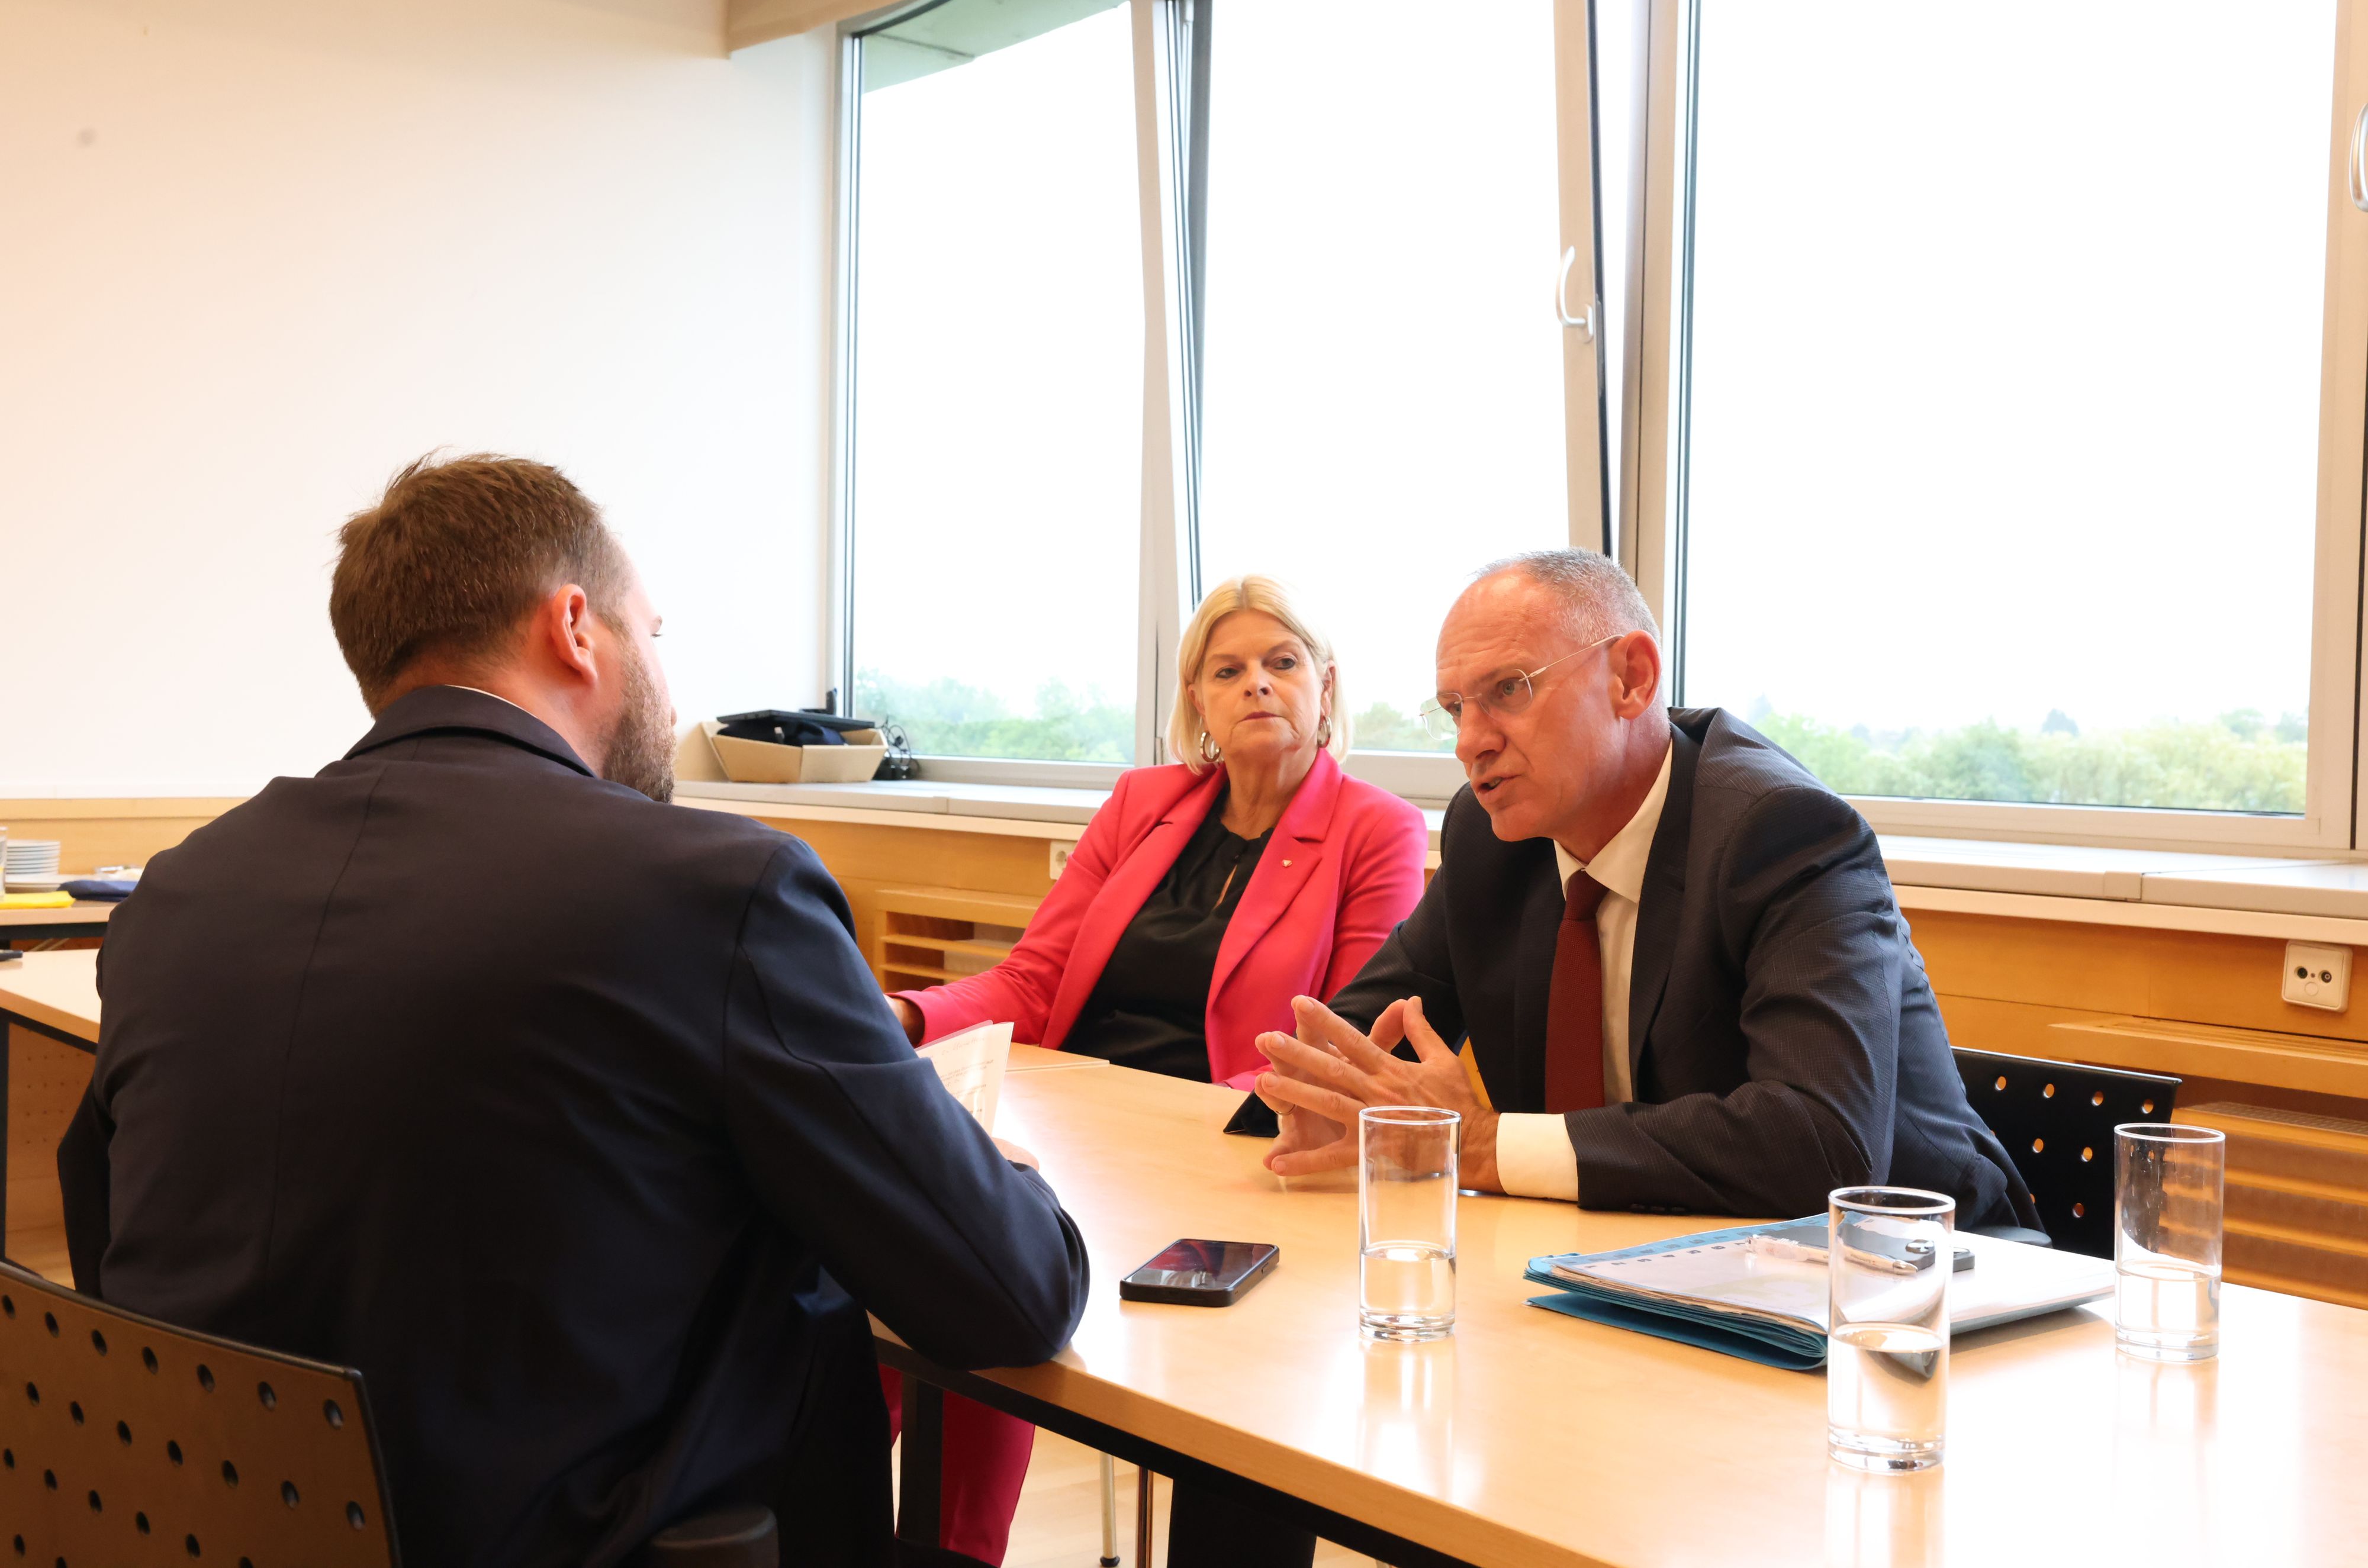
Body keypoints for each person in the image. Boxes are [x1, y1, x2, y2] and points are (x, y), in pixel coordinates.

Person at [56, 453, 1090, 1568]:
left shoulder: (180, 892)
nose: (669, 683)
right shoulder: (716, 891)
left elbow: (104, 1229)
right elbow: (1011, 1295)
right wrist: (993, 1164)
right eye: (656, 633)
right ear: (576, 627)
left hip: (221, 1530)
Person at [881, 575, 1427, 1567]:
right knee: (903, 1270)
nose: (1257, 684)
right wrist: (905, 1014)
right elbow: (1035, 977)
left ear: (1326, 686)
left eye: (1282, 662)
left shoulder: (1375, 826)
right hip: (1074, 1127)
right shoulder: (1144, 802)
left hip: (1229, 1154)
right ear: (1199, 706)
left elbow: (1343, 1038)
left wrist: (1163, 1119)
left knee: (997, 1271)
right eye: (1229, 670)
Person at [1253, 548, 2037, 1234]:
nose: (1471, 742)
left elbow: (1822, 1142)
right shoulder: (1492, 839)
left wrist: (1486, 1146)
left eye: (1509, 690)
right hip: (1643, 1269)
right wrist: (1309, 1097)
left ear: (1631, 679)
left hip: (1922, 1283)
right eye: (1456, 708)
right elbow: (1357, 1043)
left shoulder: (1783, 834)